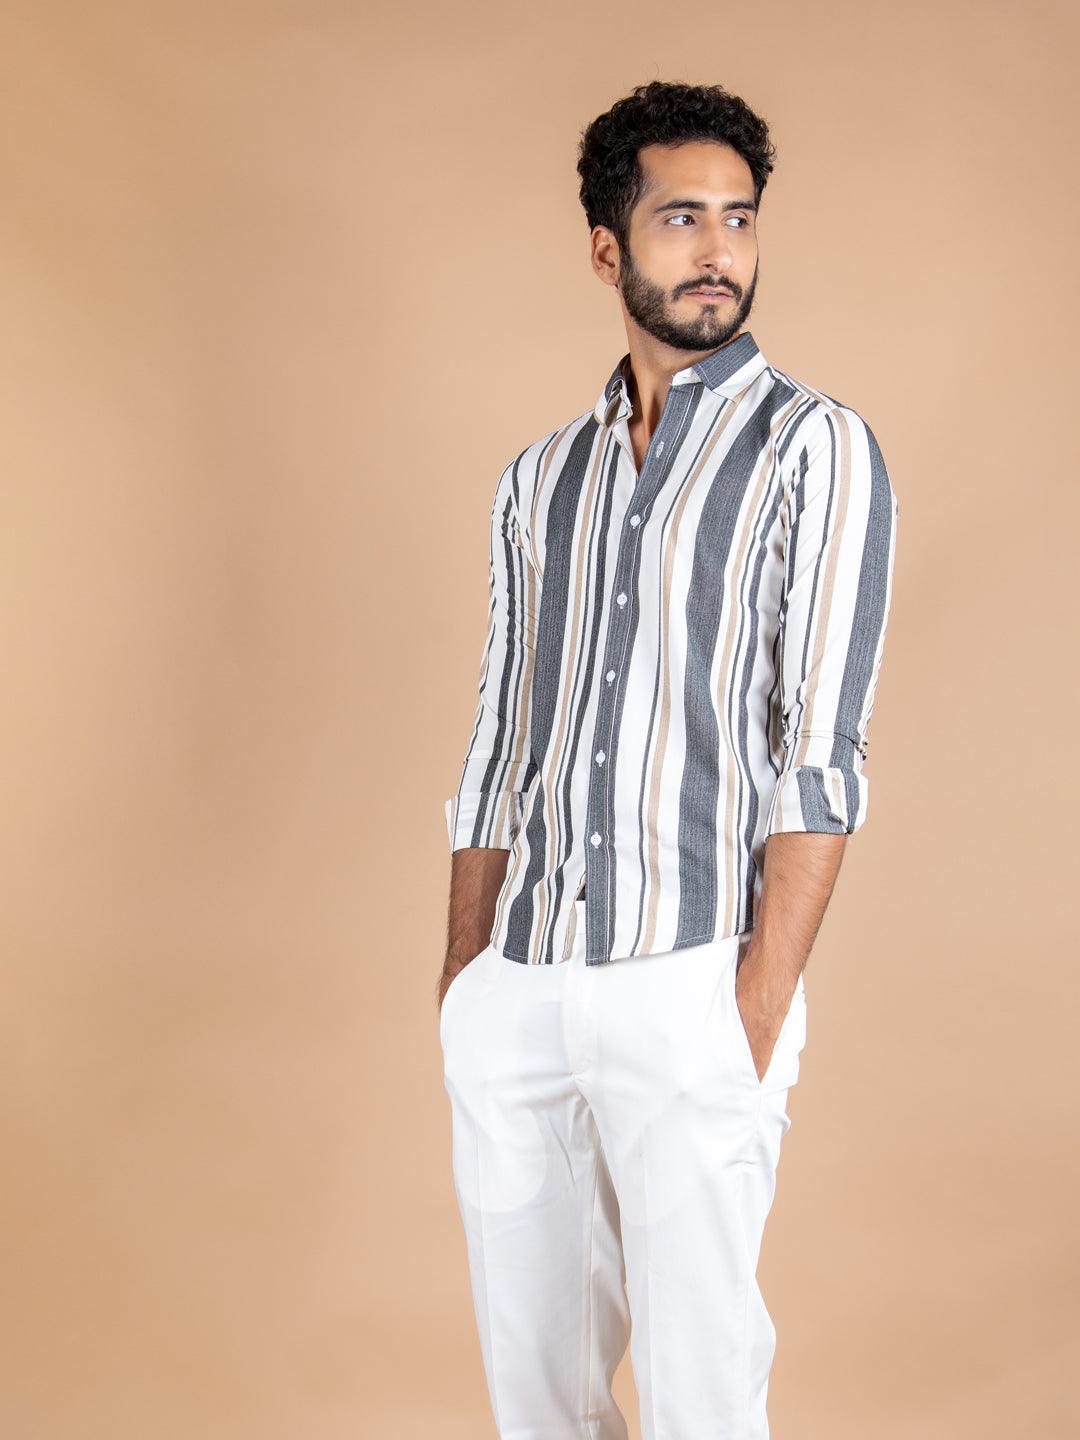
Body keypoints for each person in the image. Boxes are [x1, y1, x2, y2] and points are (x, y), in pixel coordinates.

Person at [435, 78, 899, 1439]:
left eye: (739, 219)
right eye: (682, 217)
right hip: (524, 983)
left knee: (703, 1399)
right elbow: (500, 737)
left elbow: (821, 748)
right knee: (538, 1402)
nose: (718, 252)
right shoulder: (538, 482)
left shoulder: (816, 449)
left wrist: (754, 1004)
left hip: (695, 979)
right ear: (608, 248)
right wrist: (467, 983)